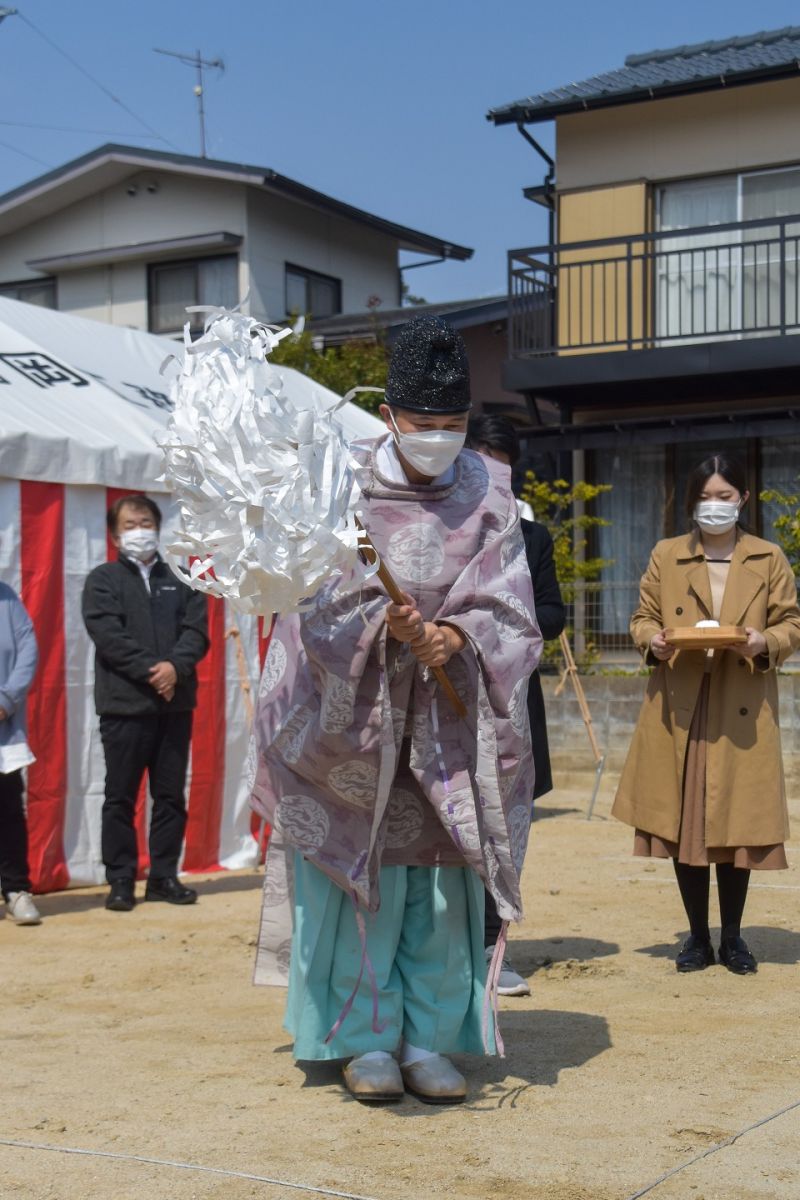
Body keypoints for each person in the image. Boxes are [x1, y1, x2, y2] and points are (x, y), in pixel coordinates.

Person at [252, 316, 541, 1104]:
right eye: (425, 426)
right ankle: (362, 1037)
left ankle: (429, 1036)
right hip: (352, 722)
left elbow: (513, 606)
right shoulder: (333, 483)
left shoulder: (491, 491)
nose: (441, 440)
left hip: (447, 723)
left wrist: (455, 633)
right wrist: (380, 625)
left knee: (440, 888)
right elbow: (304, 593)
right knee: (362, 882)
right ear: (389, 417)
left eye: (453, 426)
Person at [613, 454, 800, 974]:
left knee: (737, 828)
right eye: (705, 497)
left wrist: (766, 641)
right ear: (690, 501)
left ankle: (734, 938)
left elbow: (791, 623)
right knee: (685, 826)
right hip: (681, 701)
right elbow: (643, 617)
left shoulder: (768, 557)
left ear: (743, 498)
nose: (714, 506)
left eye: (725, 496)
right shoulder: (667, 553)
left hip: (741, 701)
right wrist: (653, 641)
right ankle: (697, 936)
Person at [468, 414, 565, 996]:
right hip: (448, 701)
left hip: (513, 705)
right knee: (452, 829)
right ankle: (444, 947)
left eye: (504, 465)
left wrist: (511, 616)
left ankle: (491, 946)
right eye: (482, 462)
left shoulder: (534, 538)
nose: (494, 475)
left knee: (504, 832)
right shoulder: (438, 530)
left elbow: (554, 613)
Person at [82, 494, 209, 912]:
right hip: (124, 706)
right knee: (120, 795)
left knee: (170, 795)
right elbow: (108, 635)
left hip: (174, 707)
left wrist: (175, 667)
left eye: (146, 522)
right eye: (130, 524)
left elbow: (196, 631)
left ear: (158, 527)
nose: (140, 531)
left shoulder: (183, 576)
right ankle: (120, 880)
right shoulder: (102, 579)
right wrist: (155, 672)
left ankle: (163, 876)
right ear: (116, 533)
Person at [0, 582, 40, 925]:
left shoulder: (7, 598)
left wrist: (6, 700)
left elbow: (27, 648)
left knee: (9, 811)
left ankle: (15, 890)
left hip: (2, 726)